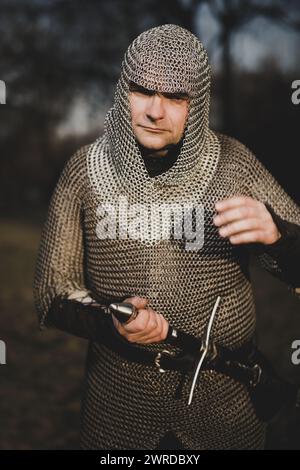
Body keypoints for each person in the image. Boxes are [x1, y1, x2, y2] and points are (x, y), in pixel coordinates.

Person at [34, 24, 300, 450]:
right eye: (143, 91)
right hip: (119, 403)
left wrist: (279, 237)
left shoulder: (233, 164)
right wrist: (109, 322)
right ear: (124, 92)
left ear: (196, 104)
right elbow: (53, 293)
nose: (156, 110)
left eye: (176, 97)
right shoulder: (84, 171)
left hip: (225, 403)